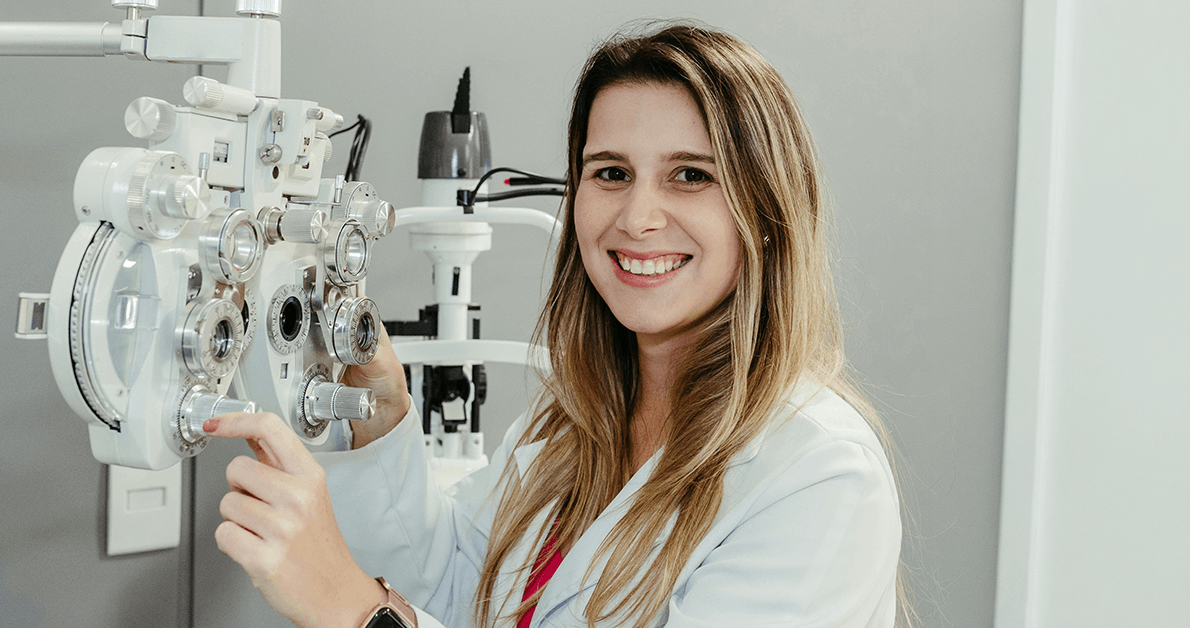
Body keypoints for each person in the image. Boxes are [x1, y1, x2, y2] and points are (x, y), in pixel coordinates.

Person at [204, 21, 904, 628]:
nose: (637, 218)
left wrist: (355, 612)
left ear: (768, 208)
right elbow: (456, 588)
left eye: (690, 175)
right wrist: (379, 427)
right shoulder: (570, 423)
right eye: (610, 173)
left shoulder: (817, 477)